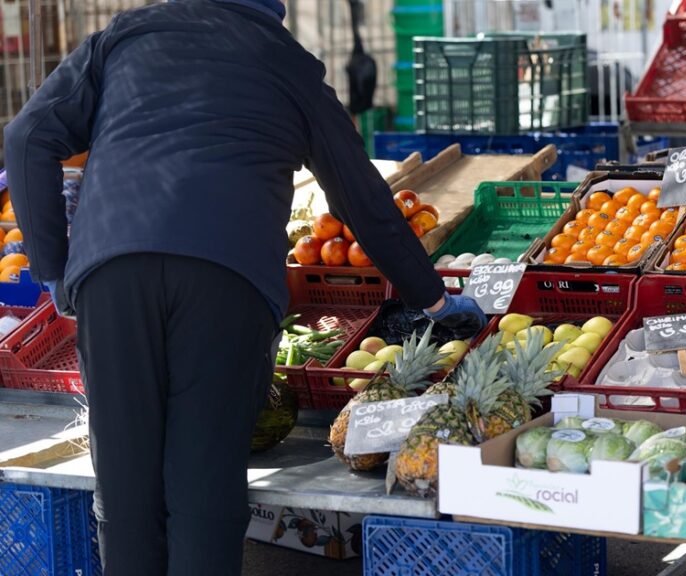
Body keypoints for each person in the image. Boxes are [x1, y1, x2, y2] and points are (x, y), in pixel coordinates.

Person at [3, 1, 486, 574]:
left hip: (113, 273)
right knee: (203, 488)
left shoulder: (128, 35)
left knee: (126, 489)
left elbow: (28, 134)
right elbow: (362, 198)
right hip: (224, 281)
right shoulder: (286, 62)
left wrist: (54, 268)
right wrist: (433, 299)